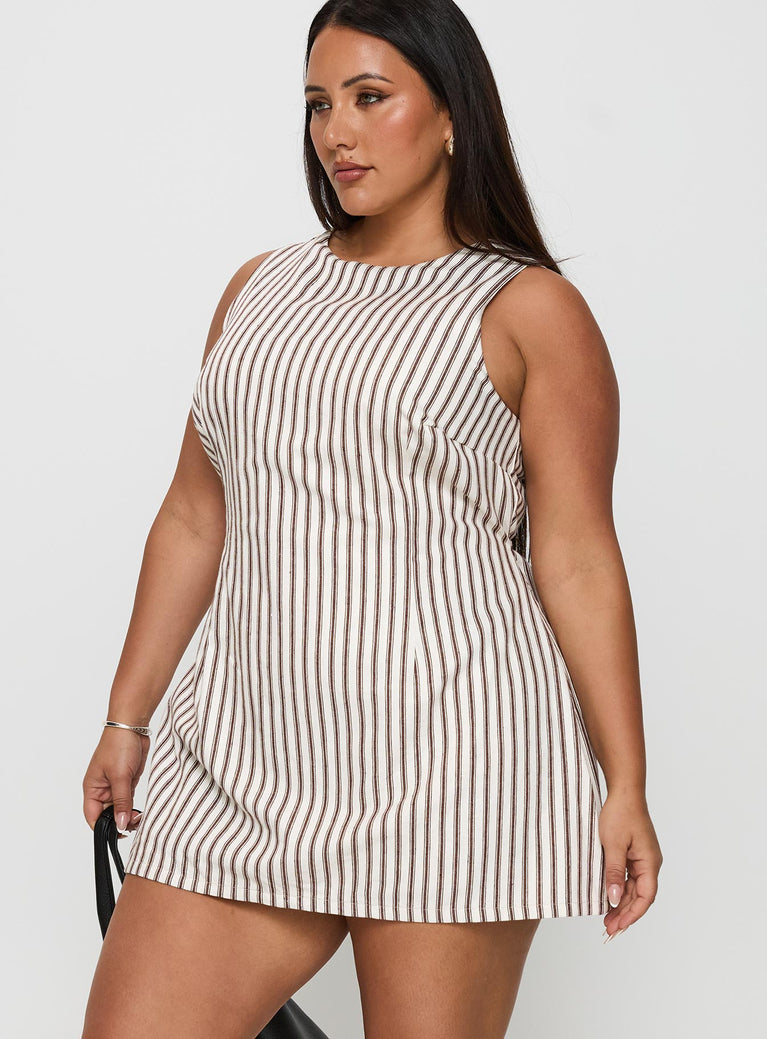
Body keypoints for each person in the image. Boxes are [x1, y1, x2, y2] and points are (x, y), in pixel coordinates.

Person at [81, 1, 663, 1036]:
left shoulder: (526, 309)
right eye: (318, 104)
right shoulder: (260, 289)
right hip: (244, 758)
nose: (335, 132)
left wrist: (625, 781)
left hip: (454, 763)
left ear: (451, 117)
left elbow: (576, 558)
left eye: (368, 97)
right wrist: (128, 717)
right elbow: (195, 516)